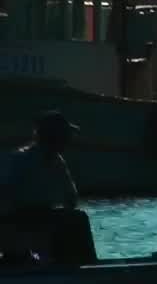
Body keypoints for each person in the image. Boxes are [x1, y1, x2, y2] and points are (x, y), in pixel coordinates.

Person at [0, 111, 96, 265]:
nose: (68, 140)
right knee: (75, 220)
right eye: (65, 136)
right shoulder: (18, 160)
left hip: (40, 215)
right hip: (13, 219)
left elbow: (71, 199)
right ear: (53, 137)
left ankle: (79, 263)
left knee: (78, 218)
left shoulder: (57, 161)